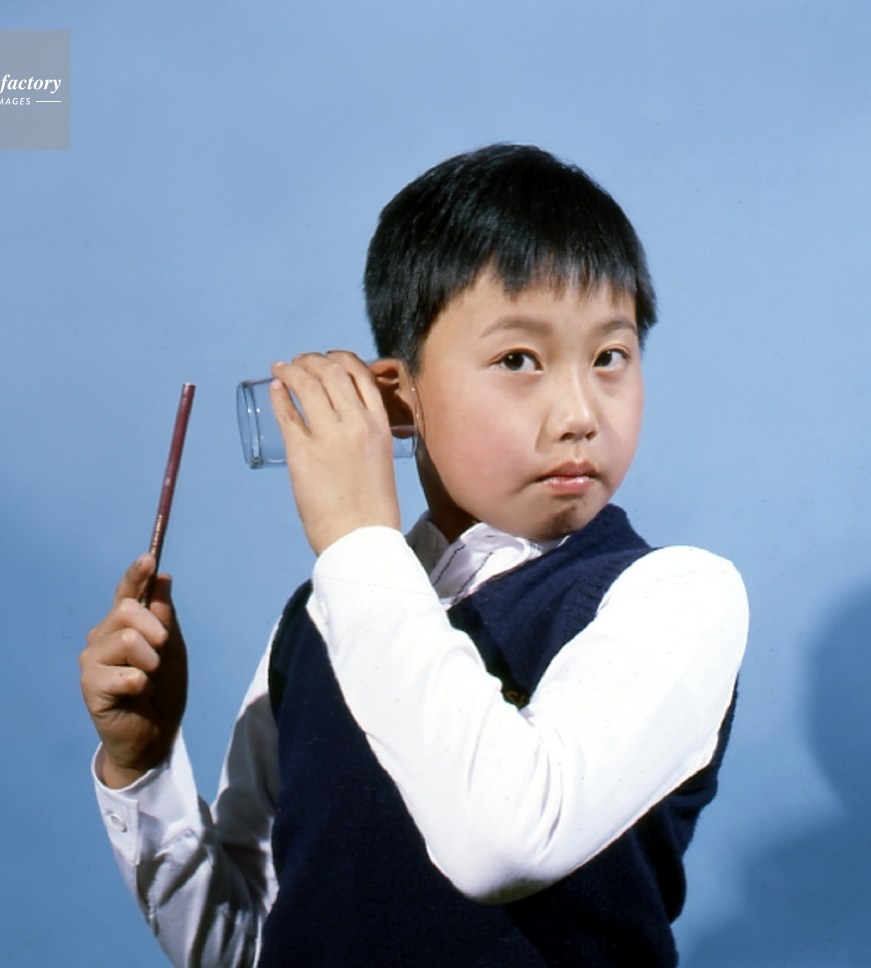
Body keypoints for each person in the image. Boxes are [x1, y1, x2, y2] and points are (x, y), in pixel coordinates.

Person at [79, 144, 748, 967]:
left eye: (610, 356)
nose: (579, 413)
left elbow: (504, 842)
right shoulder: (321, 618)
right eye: (518, 360)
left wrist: (356, 534)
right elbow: (253, 944)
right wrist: (142, 768)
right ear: (399, 398)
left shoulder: (675, 596)